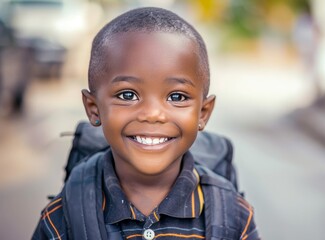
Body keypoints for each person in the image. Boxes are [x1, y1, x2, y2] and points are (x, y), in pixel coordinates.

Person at [31, 7, 260, 240]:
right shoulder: (63, 218)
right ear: (93, 108)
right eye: (128, 95)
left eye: (176, 97)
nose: (152, 114)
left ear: (203, 113)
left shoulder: (234, 217)